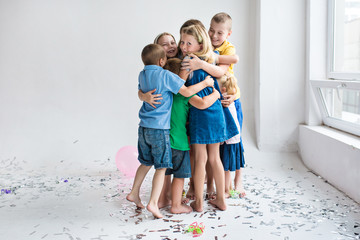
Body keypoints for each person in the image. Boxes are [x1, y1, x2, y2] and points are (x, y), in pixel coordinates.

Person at [126, 43, 214, 219]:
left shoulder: (142, 74)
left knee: (145, 162)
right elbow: (186, 91)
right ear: (161, 61)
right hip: (159, 129)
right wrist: (206, 82)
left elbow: (140, 91)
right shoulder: (165, 75)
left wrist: (143, 96)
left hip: (143, 127)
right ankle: (153, 203)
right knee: (162, 167)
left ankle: (134, 192)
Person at [179, 24, 238, 212]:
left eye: (189, 43)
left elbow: (180, 84)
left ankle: (199, 202)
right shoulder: (211, 59)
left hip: (201, 113)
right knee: (214, 159)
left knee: (200, 159)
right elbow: (220, 72)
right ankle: (220, 198)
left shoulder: (188, 62)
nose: (184, 46)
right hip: (215, 112)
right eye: (182, 42)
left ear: (200, 43)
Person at [158, 58, 221, 214]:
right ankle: (176, 205)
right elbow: (202, 103)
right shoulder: (183, 95)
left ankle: (162, 199)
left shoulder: (164, 93)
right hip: (179, 143)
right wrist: (216, 93)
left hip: (163, 141)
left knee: (164, 173)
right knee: (179, 176)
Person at [208, 12, 246, 198]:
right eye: (211, 30)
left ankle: (238, 179)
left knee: (235, 141)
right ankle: (223, 184)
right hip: (217, 101)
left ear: (228, 34)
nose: (214, 36)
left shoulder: (228, 48)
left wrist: (211, 58)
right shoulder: (207, 45)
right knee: (220, 144)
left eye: (219, 33)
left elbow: (223, 68)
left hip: (231, 99)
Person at [217, 73, 244, 198]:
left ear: (222, 89)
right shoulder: (230, 100)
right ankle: (227, 189)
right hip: (232, 139)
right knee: (224, 167)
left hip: (229, 140)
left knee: (225, 167)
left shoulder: (223, 102)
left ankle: (227, 190)